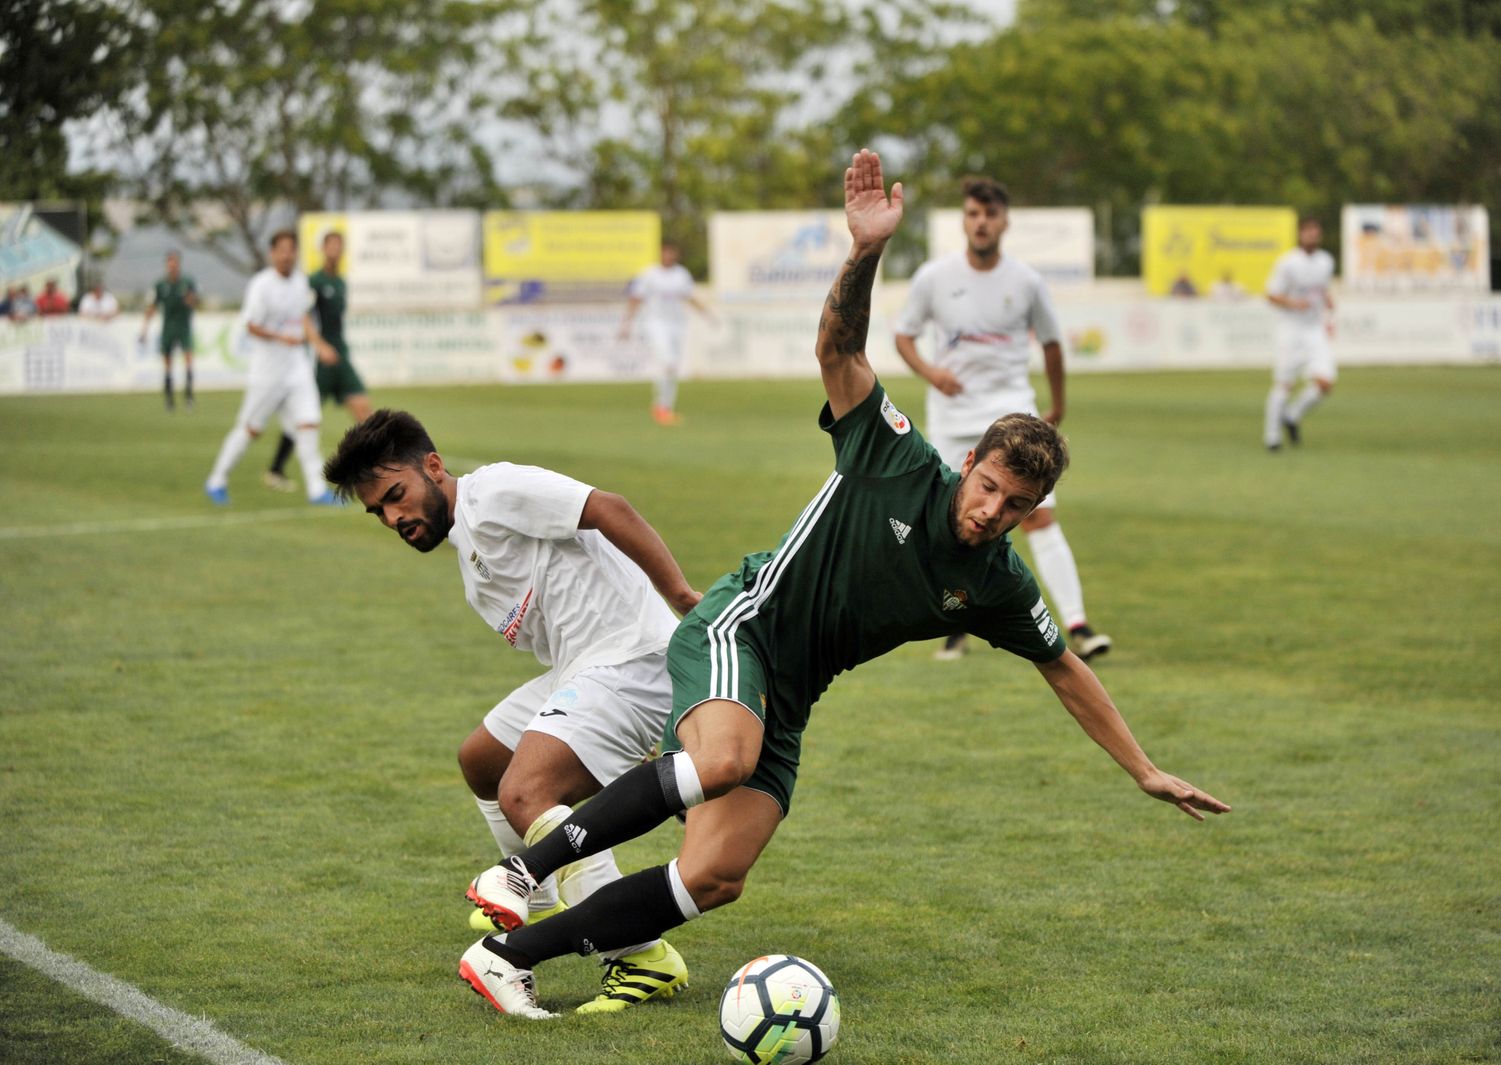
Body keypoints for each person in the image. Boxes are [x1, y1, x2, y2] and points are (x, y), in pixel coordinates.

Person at [456, 149, 1229, 1020]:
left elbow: (1063, 668)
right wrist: (863, 254)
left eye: (1015, 506)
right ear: (966, 461)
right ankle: (524, 869)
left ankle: (508, 956)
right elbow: (839, 347)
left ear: (1033, 508)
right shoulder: (893, 453)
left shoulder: (999, 582)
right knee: (721, 759)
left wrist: (1145, 769)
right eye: (986, 487)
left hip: (790, 694)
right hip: (739, 628)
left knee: (715, 875)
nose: (990, 512)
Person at [323, 409, 703, 1015]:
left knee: (527, 791)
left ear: (434, 467)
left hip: (633, 657)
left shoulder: (494, 493)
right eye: (379, 512)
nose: (394, 518)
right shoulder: (471, 563)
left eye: (396, 496)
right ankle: (547, 899)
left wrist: (681, 598)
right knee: (482, 760)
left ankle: (639, 954)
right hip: (585, 669)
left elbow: (610, 508)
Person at [894, 177, 1111, 663]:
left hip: (1013, 413)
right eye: (973, 214)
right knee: (953, 521)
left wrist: (1056, 406)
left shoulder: (1027, 281)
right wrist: (932, 373)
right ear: (965, 220)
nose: (982, 223)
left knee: (1039, 517)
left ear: (1004, 222)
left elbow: (1053, 344)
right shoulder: (933, 277)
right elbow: (904, 336)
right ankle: (953, 626)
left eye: (990, 215)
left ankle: (1077, 624)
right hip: (953, 419)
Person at [203, 230, 338, 505]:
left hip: (296, 367)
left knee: (309, 423)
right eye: (282, 249)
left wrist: (318, 344)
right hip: (268, 370)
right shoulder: (261, 285)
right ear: (273, 253)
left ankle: (317, 489)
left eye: (292, 249)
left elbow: (303, 318)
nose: (287, 255)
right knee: (251, 428)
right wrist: (280, 338)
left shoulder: (300, 282)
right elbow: (251, 325)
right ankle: (217, 479)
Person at [264, 231, 371, 493]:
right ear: (323, 249)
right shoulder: (312, 281)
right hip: (319, 361)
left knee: (364, 410)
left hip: (340, 356)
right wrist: (319, 345)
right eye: (331, 245)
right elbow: (302, 315)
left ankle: (368, 470)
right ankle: (276, 469)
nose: (335, 249)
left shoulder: (342, 283)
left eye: (339, 245)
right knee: (304, 418)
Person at [618, 240, 714, 426]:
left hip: (677, 325)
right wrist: (626, 324)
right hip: (656, 324)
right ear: (660, 254)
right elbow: (636, 298)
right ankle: (661, 407)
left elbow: (689, 297)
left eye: (672, 253)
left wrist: (707, 314)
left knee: (673, 367)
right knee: (667, 362)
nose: (668, 256)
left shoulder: (681, 274)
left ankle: (665, 407)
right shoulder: (649, 274)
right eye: (665, 252)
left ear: (676, 255)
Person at [1263, 218, 1336, 451]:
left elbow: (1323, 290)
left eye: (1316, 232)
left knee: (1325, 383)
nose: (1312, 236)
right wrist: (1294, 303)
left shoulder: (1326, 261)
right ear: (1300, 234)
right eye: (1308, 232)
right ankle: (1272, 437)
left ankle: (1292, 415)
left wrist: (1329, 308)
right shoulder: (1288, 263)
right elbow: (1272, 295)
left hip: (1314, 330)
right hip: (1290, 330)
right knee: (1284, 384)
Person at [140, 251, 200, 411]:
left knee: (188, 360)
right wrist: (144, 329)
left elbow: (195, 302)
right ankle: (169, 398)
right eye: (169, 263)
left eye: (175, 263)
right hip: (168, 327)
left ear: (179, 264)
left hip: (183, 327)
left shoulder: (187, 282)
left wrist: (191, 300)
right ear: (167, 265)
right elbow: (152, 307)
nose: (172, 266)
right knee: (167, 364)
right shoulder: (160, 285)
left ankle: (188, 395)